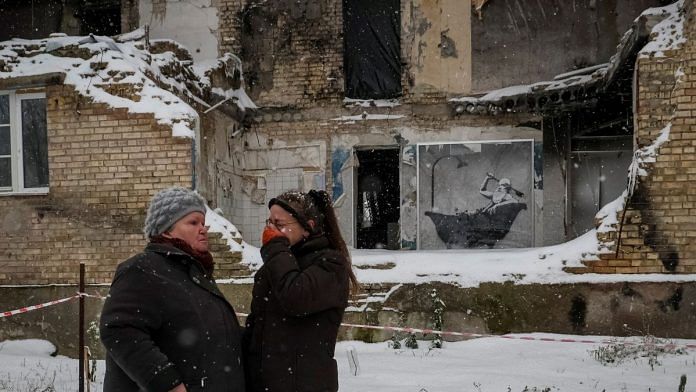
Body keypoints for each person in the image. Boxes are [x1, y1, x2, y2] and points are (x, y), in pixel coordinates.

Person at [100, 187, 245, 392]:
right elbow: (118, 330)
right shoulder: (144, 268)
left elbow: (212, 335)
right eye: (193, 222)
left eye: (203, 223)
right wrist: (168, 383)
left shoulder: (193, 274)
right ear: (166, 230)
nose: (203, 229)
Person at [243, 189, 359, 392]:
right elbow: (257, 324)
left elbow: (295, 297)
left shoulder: (330, 264)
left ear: (308, 228)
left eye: (279, 225)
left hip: (303, 383)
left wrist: (275, 248)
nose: (270, 230)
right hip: (265, 383)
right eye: (269, 222)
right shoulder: (278, 262)